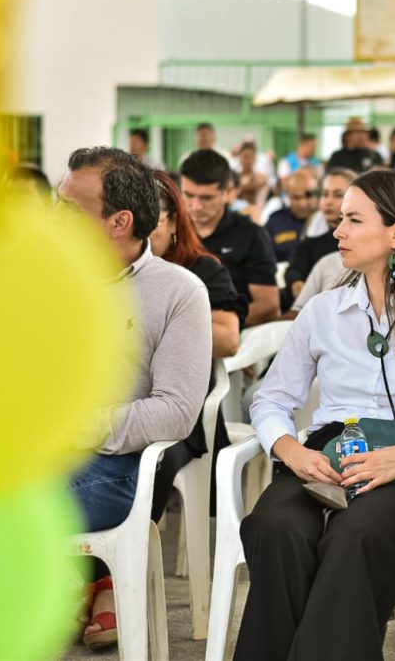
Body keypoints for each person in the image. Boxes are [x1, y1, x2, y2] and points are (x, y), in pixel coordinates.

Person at [235, 169, 395, 661]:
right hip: (326, 457)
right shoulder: (322, 310)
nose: (338, 231)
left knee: (356, 535)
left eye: (353, 220)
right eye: (340, 219)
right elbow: (271, 400)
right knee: (276, 527)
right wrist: (289, 450)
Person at [58, 147, 212, 649]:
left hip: (116, 468)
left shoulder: (178, 291)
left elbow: (177, 412)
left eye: (69, 209)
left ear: (118, 222)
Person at [147, 170, 248, 524]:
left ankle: (109, 561)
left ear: (175, 221)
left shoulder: (201, 270)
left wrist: (161, 324)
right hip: (127, 397)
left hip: (185, 405)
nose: (143, 233)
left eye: (153, 221)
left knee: (147, 461)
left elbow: (228, 339)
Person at [180, 149, 280, 326]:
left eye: (206, 198)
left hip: (232, 339)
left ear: (227, 193)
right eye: (188, 195)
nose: (195, 206)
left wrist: (209, 326)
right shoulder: (168, 229)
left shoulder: (252, 235)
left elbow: (268, 307)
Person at [285, 168, 355, 302]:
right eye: (325, 194)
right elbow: (294, 270)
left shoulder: (364, 242)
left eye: (338, 195)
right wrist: (298, 285)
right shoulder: (312, 240)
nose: (328, 201)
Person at [263, 167, 319, 263]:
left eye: (308, 196)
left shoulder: (328, 222)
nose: (303, 203)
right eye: (297, 197)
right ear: (288, 195)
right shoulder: (275, 222)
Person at [236, 141, 270, 220]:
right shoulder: (234, 177)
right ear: (240, 158)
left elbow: (254, 186)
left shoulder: (261, 177)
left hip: (256, 216)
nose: (248, 160)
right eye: (245, 156)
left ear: (255, 159)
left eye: (251, 157)